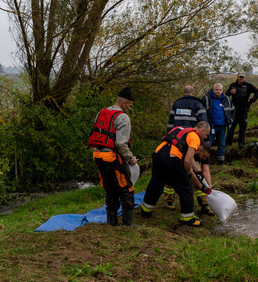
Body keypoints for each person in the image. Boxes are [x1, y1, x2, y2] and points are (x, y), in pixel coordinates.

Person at [140, 121, 211, 227]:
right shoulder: (195, 137)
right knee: (186, 188)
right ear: (202, 130)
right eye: (206, 135)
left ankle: (146, 210)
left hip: (158, 155)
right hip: (172, 159)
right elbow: (187, 160)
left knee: (156, 183)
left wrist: (198, 171)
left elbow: (187, 156)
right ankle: (188, 218)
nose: (205, 138)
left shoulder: (180, 129)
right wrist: (187, 174)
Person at [88, 87, 137, 227]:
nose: (129, 108)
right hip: (112, 158)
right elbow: (121, 143)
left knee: (110, 188)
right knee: (126, 188)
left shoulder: (101, 112)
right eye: (129, 105)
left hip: (98, 156)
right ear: (123, 103)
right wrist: (130, 158)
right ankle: (128, 223)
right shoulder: (123, 117)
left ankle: (111, 221)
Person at [226, 71, 258, 147]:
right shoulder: (233, 85)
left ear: (245, 77)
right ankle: (228, 143)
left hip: (244, 110)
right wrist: (230, 91)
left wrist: (251, 100)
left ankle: (241, 143)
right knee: (231, 127)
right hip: (234, 110)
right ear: (237, 77)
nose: (241, 78)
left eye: (243, 77)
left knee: (243, 127)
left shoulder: (248, 85)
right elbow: (226, 93)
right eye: (240, 76)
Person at [202, 83, 234, 164]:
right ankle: (205, 161)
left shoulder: (226, 99)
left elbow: (233, 110)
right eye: (216, 90)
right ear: (213, 90)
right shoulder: (207, 98)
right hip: (210, 127)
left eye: (220, 90)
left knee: (222, 144)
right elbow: (202, 111)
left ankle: (221, 161)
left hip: (222, 126)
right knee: (208, 144)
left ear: (222, 90)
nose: (218, 91)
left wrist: (231, 120)